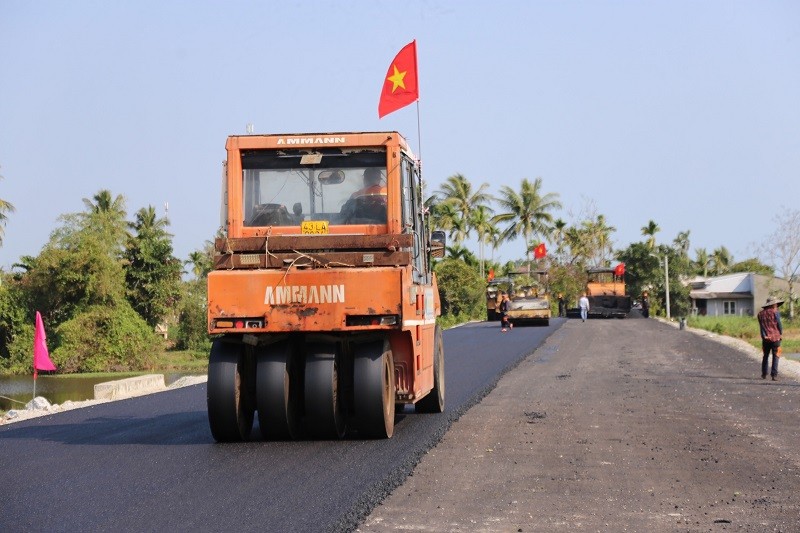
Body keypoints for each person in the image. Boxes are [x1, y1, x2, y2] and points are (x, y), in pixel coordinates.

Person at [757, 296, 784, 381]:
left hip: (765, 338)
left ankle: (764, 374)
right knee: (776, 356)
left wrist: (764, 335)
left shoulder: (760, 314)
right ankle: (774, 375)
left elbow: (761, 327)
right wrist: (780, 333)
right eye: (776, 303)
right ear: (773, 304)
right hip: (776, 337)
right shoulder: (776, 312)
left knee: (765, 355)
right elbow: (779, 324)